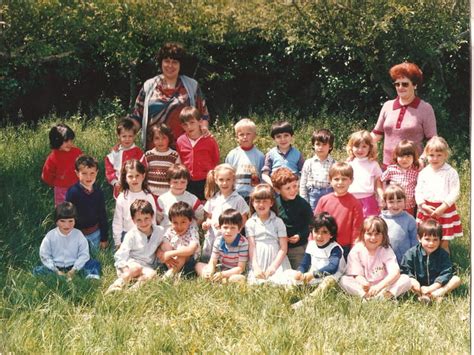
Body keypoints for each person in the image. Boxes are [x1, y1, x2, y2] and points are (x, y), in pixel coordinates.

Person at [129, 42, 210, 149]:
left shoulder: (192, 86)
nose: (170, 65)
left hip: (184, 150)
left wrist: (204, 130)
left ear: (181, 64)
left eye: (175, 62)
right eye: (167, 61)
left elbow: (203, 115)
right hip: (154, 151)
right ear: (161, 62)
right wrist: (125, 137)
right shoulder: (149, 86)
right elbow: (137, 117)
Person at [371, 62, 437, 168]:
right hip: (388, 168)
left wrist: (423, 160)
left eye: (405, 84)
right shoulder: (387, 106)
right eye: (397, 84)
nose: (400, 87)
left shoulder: (425, 108)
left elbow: (433, 140)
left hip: (413, 169)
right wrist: (355, 147)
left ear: (415, 85)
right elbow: (376, 134)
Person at [107, 200, 171, 293]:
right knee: (137, 268)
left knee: (152, 274)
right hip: (132, 264)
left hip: (147, 266)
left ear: (152, 217)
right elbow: (120, 255)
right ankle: (117, 285)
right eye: (139, 220)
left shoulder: (159, 231)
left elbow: (165, 244)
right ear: (133, 220)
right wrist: (125, 269)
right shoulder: (131, 235)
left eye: (146, 218)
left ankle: (131, 292)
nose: (143, 223)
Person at [339, 216, 411, 299]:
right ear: (362, 234)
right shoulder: (357, 250)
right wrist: (364, 283)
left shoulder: (386, 250)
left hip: (383, 285)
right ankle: (365, 296)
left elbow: (395, 272)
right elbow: (356, 274)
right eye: (369, 234)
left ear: (383, 235)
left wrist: (379, 287)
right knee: (344, 280)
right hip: (365, 286)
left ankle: (385, 297)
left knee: (406, 279)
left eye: (377, 234)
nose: (373, 238)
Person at [415, 136, 462, 252]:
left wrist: (443, 207)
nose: (435, 158)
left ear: (446, 155)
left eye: (439, 155)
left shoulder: (451, 172)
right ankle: (426, 264)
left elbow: (455, 191)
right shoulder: (424, 173)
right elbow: (418, 190)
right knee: (426, 240)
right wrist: (422, 205)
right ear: (426, 155)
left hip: (444, 210)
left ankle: (445, 267)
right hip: (427, 210)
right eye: (431, 155)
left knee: (443, 242)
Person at [289, 213, 346, 309]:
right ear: (312, 231)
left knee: (328, 281)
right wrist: (300, 271)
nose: (319, 236)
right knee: (289, 274)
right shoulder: (311, 244)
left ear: (331, 234)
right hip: (315, 275)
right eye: (316, 231)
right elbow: (305, 263)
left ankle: (308, 300)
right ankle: (289, 295)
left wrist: (313, 274)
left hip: (334, 277)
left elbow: (332, 268)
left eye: (324, 232)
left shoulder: (335, 248)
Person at [33, 202, 101, 280]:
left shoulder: (78, 235)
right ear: (56, 222)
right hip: (56, 266)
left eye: (70, 221)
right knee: (38, 270)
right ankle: (57, 276)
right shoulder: (50, 236)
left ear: (75, 221)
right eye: (62, 221)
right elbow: (44, 255)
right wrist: (56, 270)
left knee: (94, 263)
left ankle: (91, 277)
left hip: (74, 265)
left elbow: (84, 254)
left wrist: (74, 270)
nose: (67, 225)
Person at [401, 219, 461, 303]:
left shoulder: (443, 254)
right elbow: (405, 270)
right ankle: (423, 296)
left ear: (440, 240)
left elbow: (446, 272)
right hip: (418, 286)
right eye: (427, 239)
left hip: (437, 286)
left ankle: (434, 294)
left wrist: (433, 287)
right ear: (419, 238)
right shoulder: (411, 253)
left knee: (456, 279)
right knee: (405, 280)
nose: (431, 243)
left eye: (435, 240)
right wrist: (413, 281)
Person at [314, 162, 364, 260]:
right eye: (336, 179)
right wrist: (312, 240)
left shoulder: (355, 203)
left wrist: (354, 248)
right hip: (324, 244)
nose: (340, 182)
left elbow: (357, 229)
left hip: (345, 247)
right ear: (330, 180)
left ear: (351, 180)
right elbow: (315, 223)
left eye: (344, 179)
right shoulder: (324, 200)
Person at [201, 164, 249, 262]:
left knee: (226, 261)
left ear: (233, 180)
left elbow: (243, 219)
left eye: (228, 180)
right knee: (208, 260)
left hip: (229, 236)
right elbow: (209, 216)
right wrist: (207, 223)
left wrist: (235, 229)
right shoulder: (213, 199)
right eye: (221, 180)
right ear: (216, 180)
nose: (224, 183)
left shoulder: (238, 199)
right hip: (213, 236)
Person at [245, 184, 291, 285]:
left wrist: (274, 266)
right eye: (258, 201)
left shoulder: (278, 222)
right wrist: (255, 266)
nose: (261, 204)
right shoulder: (250, 223)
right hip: (258, 258)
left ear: (271, 203)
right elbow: (251, 246)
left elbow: (283, 248)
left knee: (280, 282)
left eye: (265, 201)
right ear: (252, 203)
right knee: (256, 283)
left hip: (276, 259)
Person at [271, 168, 313, 269]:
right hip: (279, 247)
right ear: (278, 190)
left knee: (298, 272)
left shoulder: (303, 204)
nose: (293, 190)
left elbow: (311, 225)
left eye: (295, 186)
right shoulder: (275, 204)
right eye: (288, 188)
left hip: (298, 247)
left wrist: (300, 235)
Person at [65, 155, 108, 251]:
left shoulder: (98, 192)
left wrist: (104, 238)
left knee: (96, 257)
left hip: (95, 233)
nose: (88, 177)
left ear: (97, 173)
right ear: (77, 173)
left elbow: (102, 215)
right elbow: (68, 216)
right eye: (84, 173)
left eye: (92, 173)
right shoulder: (73, 192)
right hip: (77, 234)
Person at [176, 106, 219, 201]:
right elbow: (181, 160)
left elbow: (215, 159)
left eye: (192, 123)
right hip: (189, 181)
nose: (189, 127)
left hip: (206, 180)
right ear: (181, 126)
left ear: (199, 122)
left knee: (207, 206)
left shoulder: (209, 140)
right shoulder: (180, 141)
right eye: (185, 125)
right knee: (190, 207)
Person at [112, 159, 156, 250]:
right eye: (130, 176)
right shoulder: (122, 197)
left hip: (145, 234)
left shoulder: (148, 197)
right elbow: (117, 221)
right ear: (125, 178)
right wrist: (117, 242)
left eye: (137, 175)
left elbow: (153, 219)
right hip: (127, 234)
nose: (134, 179)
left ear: (143, 176)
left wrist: (153, 238)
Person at [195, 209, 248, 283]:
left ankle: (223, 280)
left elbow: (240, 268)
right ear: (220, 228)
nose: (228, 231)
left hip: (235, 271)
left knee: (237, 277)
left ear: (239, 229)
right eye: (225, 227)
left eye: (233, 228)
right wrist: (210, 270)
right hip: (222, 268)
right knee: (198, 265)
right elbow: (213, 261)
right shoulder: (218, 241)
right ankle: (212, 278)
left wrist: (223, 274)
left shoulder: (243, 243)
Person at [41, 123, 83, 206]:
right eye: (66, 141)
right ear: (57, 140)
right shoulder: (53, 157)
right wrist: (57, 183)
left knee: (79, 209)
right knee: (63, 211)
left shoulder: (77, 152)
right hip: (61, 190)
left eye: (71, 140)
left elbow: (84, 166)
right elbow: (46, 175)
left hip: (78, 187)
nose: (69, 143)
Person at [225, 118, 265, 201]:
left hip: (253, 195)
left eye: (248, 134)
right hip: (235, 194)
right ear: (237, 136)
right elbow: (227, 174)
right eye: (241, 134)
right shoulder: (232, 154)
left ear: (254, 135)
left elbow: (262, 177)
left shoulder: (260, 156)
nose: (245, 137)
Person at [346, 130, 383, 217]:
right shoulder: (349, 163)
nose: (360, 150)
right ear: (351, 147)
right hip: (351, 198)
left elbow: (378, 183)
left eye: (364, 146)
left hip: (368, 200)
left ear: (370, 147)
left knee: (369, 225)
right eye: (356, 146)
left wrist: (381, 197)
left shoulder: (373, 164)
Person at [157, 164, 205, 230]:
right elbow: (158, 218)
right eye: (175, 182)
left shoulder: (193, 199)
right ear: (169, 182)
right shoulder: (162, 199)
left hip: (187, 233)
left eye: (183, 182)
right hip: (168, 232)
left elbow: (200, 216)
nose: (179, 185)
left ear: (187, 182)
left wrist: (193, 228)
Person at [105, 117, 144, 198]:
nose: (127, 139)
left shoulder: (138, 152)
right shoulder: (115, 152)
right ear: (119, 136)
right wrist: (115, 182)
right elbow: (109, 169)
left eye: (130, 136)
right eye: (124, 136)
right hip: (120, 187)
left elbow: (144, 168)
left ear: (135, 136)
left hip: (136, 186)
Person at [380, 185, 417, 264]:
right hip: (385, 261)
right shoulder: (381, 220)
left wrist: (414, 259)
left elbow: (415, 242)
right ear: (385, 202)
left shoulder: (410, 220)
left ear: (405, 201)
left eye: (399, 201)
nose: (395, 205)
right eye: (391, 202)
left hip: (405, 261)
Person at [380, 139, 420, 216]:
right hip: (394, 205)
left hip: (409, 205)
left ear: (414, 158)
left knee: (408, 224)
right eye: (401, 156)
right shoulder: (392, 169)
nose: (404, 159)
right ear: (396, 156)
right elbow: (381, 180)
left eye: (408, 156)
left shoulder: (416, 172)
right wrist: (383, 193)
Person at [161, 201, 200, 278]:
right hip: (172, 261)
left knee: (182, 251)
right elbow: (164, 244)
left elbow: (191, 250)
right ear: (171, 222)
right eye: (175, 222)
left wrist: (171, 253)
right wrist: (168, 255)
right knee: (164, 244)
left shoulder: (192, 231)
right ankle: (173, 273)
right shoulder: (170, 231)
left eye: (183, 222)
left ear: (190, 221)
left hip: (189, 263)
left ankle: (169, 276)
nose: (179, 226)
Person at [141, 123, 181, 197]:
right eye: (157, 138)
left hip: (168, 194)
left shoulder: (174, 155)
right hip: (150, 193)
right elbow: (143, 172)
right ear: (152, 139)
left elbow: (178, 174)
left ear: (169, 138)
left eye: (164, 138)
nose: (160, 141)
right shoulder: (148, 155)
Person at [299, 129, 336, 209]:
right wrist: (303, 199)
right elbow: (303, 182)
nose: (320, 147)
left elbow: (336, 183)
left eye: (324, 144)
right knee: (313, 217)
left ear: (330, 147)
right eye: (318, 144)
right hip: (312, 195)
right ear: (313, 145)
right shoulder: (309, 163)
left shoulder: (334, 164)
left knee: (328, 217)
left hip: (329, 194)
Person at [261, 120, 304, 185]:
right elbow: (264, 175)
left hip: (292, 190)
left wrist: (296, 184)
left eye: (286, 135)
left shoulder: (297, 154)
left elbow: (304, 173)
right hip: (275, 191)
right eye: (278, 136)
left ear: (292, 137)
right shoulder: (270, 154)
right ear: (274, 139)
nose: (283, 139)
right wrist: (273, 185)